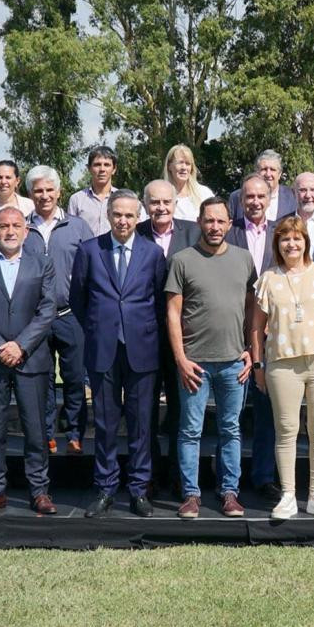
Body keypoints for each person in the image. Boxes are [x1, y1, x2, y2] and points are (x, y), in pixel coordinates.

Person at [71, 190, 168, 518]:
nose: (123, 221)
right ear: (108, 215)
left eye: (129, 215)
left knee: (141, 424)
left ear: (138, 217)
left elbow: (158, 303)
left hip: (142, 349)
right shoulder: (89, 251)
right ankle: (105, 488)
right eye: (117, 215)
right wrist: (101, 327)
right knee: (105, 423)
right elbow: (78, 300)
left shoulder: (153, 253)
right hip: (103, 349)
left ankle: (139, 489)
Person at [0, 206, 58, 515]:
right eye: (4, 225)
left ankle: (40, 491)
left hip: (31, 359)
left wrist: (21, 346)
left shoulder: (42, 264)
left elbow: (47, 310)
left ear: (26, 231)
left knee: (35, 428)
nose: (10, 231)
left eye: (16, 225)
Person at [250, 216, 314, 519]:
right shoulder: (268, 279)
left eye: (297, 238)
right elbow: (256, 328)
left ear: (306, 242)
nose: (291, 244)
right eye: (284, 239)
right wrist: (257, 366)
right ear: (277, 244)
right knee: (286, 430)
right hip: (281, 364)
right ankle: (289, 495)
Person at [166, 197, 256, 519]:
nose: (215, 227)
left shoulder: (244, 259)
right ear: (199, 223)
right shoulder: (181, 260)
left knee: (230, 430)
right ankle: (191, 494)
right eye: (209, 221)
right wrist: (180, 358)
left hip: (234, 362)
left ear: (230, 224)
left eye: (221, 221)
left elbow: (251, 308)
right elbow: (173, 314)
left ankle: (229, 492)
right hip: (195, 365)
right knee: (191, 431)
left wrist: (250, 350)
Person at [22, 165, 94, 455]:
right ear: (30, 194)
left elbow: (92, 269)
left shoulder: (77, 227)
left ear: (59, 192)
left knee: (75, 378)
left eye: (49, 190)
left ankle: (75, 432)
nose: (44, 195)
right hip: (35, 318)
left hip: (70, 314)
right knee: (44, 379)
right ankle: (48, 433)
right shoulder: (22, 227)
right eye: (38, 190)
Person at [136, 178, 200, 487]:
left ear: (175, 203)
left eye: (166, 202)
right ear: (145, 205)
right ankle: (148, 477)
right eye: (154, 202)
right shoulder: (134, 234)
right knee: (144, 409)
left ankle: (179, 478)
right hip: (143, 336)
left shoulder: (194, 232)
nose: (160, 207)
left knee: (181, 409)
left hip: (185, 336)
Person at [224, 174, 279, 500]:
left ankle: (262, 476)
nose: (255, 202)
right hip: (231, 333)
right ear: (241, 200)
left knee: (266, 413)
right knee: (230, 416)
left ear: (270, 198)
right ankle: (228, 482)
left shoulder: (282, 233)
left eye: (261, 196)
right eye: (249, 197)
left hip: (272, 336)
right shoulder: (227, 234)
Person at [227, 149, 296, 222]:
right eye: (264, 169)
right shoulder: (236, 197)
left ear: (279, 174)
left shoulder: (293, 196)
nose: (268, 174)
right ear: (256, 172)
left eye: (272, 170)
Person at [66, 145, 120, 236]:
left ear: (114, 169)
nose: (102, 169)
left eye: (107, 165)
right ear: (89, 169)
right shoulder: (77, 199)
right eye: (97, 165)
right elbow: (71, 233)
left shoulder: (123, 198)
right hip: (86, 249)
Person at [164, 144, 216, 221]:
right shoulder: (161, 195)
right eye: (180, 163)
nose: (184, 168)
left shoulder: (204, 193)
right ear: (169, 166)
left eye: (187, 164)